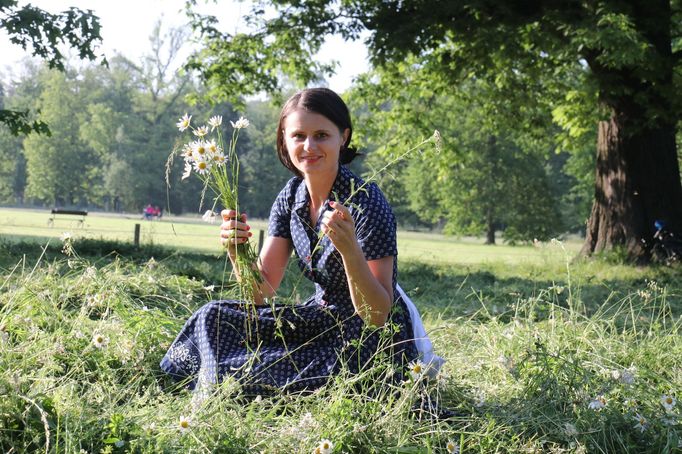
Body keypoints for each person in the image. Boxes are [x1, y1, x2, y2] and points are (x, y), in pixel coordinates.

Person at [160, 88, 440, 394]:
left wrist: (350, 252)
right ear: (284, 138)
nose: (309, 146)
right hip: (320, 319)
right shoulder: (290, 197)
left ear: (342, 137)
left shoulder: (367, 202)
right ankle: (219, 381)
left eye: (321, 135)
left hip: (373, 334)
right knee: (213, 317)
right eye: (298, 136)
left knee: (277, 376)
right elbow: (260, 293)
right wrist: (236, 250)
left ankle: (233, 382)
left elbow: (377, 314)